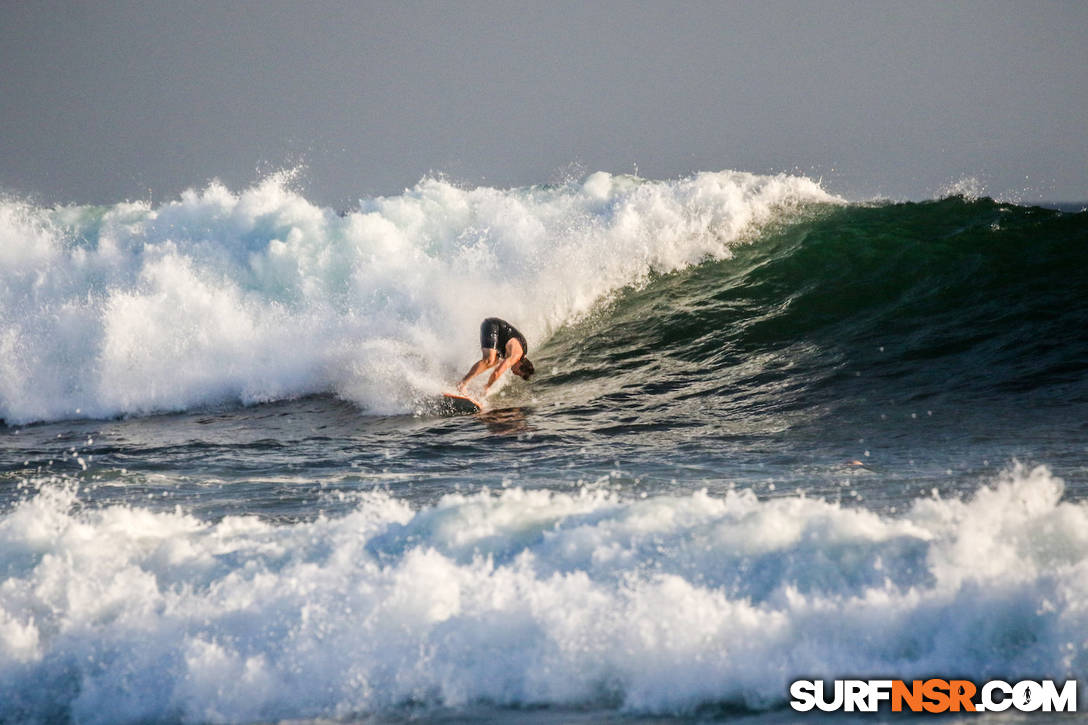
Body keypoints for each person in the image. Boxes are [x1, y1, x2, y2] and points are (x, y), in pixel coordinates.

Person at [458, 317, 535, 397]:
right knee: (489, 360)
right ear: (520, 364)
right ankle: (462, 385)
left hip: (499, 338)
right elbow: (497, 373)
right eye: (518, 373)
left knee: (493, 362)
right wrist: (487, 387)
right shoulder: (516, 356)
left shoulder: (519, 352)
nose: (515, 374)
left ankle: (466, 382)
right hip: (493, 326)